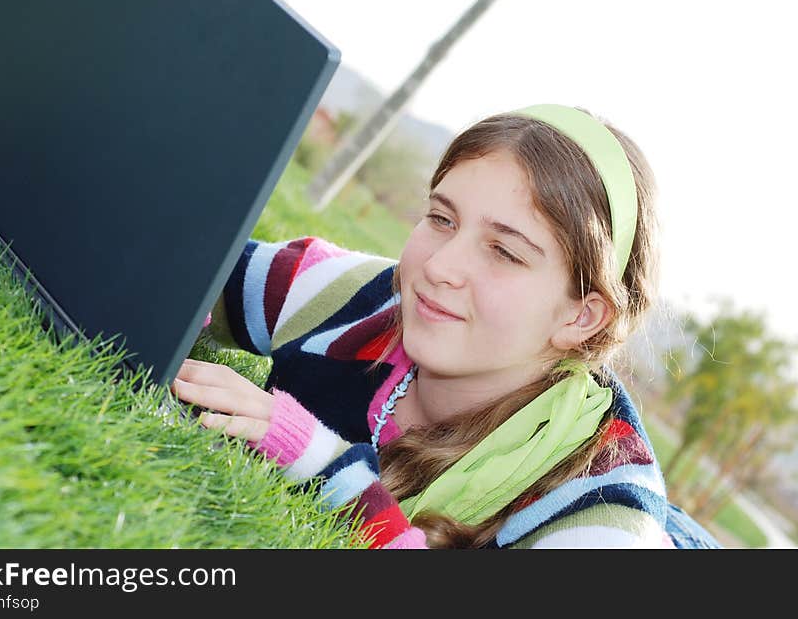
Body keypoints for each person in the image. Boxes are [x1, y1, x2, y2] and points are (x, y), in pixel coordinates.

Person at [170, 104, 722, 549]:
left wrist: (321, 463)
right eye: (441, 219)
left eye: (504, 252)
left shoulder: (606, 515)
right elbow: (195, 268)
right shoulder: (377, 301)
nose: (439, 267)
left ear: (581, 316)